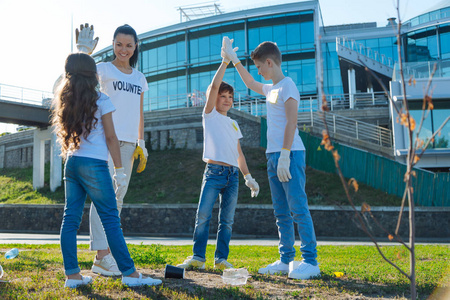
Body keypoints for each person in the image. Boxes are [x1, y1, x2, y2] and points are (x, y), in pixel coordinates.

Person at [52, 53, 161, 288]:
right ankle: (130, 274)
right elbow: (112, 138)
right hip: (95, 165)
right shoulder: (102, 100)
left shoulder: (66, 100)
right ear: (94, 75)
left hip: (72, 163)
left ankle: (72, 277)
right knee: (111, 219)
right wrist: (119, 170)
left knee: (70, 219)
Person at [221, 37, 320, 280]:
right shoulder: (271, 89)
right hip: (273, 156)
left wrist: (285, 155)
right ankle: (286, 259)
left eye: (259, 66)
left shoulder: (288, 86)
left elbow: (292, 122)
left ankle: (310, 261)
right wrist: (234, 61)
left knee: (298, 208)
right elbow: (250, 82)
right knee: (281, 212)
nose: (258, 71)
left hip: (290, 154)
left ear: (269, 62)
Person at [176, 39, 260, 270]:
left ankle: (221, 259)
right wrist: (225, 62)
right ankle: (198, 258)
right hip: (213, 173)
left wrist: (248, 177)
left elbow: (239, 153)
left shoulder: (234, 124)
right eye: (223, 96)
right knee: (203, 216)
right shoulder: (209, 116)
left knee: (227, 221)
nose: (227, 100)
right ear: (214, 99)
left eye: (230, 97)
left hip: (233, 176)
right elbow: (213, 87)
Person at [76, 23, 149, 276]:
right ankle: (101, 255)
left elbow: (139, 112)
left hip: (129, 145)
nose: (123, 49)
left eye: (129, 45)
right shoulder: (104, 69)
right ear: (113, 44)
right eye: (119, 44)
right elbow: (79, 76)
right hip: (106, 140)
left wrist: (141, 142)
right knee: (103, 196)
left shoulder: (140, 78)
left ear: (135, 46)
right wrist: (85, 53)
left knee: (117, 198)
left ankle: (106, 253)